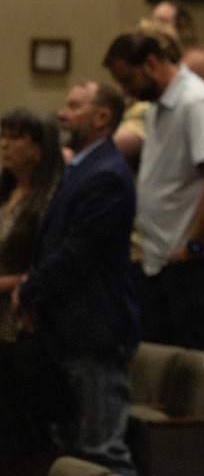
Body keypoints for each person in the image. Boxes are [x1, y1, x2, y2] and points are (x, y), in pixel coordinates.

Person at [15, 81, 140, 475]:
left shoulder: (106, 174)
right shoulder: (81, 167)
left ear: (102, 117)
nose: (62, 113)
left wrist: (29, 290)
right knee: (71, 453)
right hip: (67, 331)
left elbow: (76, 253)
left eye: (73, 106)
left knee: (102, 454)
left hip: (94, 333)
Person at [104, 25, 204, 351]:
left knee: (191, 367)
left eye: (128, 80)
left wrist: (194, 245)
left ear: (151, 63)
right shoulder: (158, 105)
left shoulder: (196, 102)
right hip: (166, 260)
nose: (127, 92)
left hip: (199, 264)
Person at [0, 109, 64, 476]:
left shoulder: (47, 201)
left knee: (19, 430)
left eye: (16, 137)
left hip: (20, 324)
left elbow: (45, 267)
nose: (6, 145)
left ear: (39, 149)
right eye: (4, 136)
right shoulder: (5, 192)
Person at [150, 0, 204, 109]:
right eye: (152, 22)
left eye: (162, 22)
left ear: (181, 26)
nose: (154, 28)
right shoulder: (159, 61)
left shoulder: (198, 61)